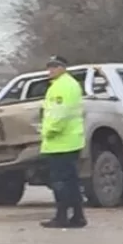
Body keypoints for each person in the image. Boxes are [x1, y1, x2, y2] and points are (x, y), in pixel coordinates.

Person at [39, 55, 87, 228]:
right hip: (69, 140)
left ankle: (62, 216)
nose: (51, 70)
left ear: (63, 68)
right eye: (49, 67)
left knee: (60, 182)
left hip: (61, 141)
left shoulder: (63, 86)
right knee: (71, 181)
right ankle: (78, 216)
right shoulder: (66, 84)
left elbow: (60, 113)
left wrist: (48, 131)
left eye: (55, 67)